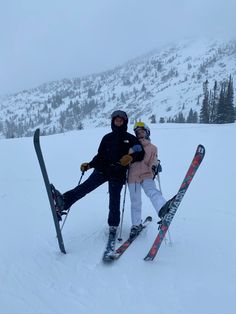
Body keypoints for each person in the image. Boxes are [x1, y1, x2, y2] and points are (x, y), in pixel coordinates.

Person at [52, 110, 144, 256]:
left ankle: (113, 226)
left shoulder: (130, 138)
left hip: (118, 173)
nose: (118, 123)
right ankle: (64, 201)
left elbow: (140, 152)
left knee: (114, 200)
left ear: (125, 122)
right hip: (102, 170)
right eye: (116, 120)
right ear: (113, 122)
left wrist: (130, 158)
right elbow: (100, 156)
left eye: (121, 120)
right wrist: (89, 165)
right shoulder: (106, 138)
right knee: (84, 188)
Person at [127, 121, 167, 238]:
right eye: (137, 133)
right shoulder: (131, 147)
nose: (140, 134)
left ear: (147, 132)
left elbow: (153, 160)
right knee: (135, 201)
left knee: (152, 191)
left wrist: (155, 165)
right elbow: (127, 160)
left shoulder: (153, 148)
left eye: (142, 132)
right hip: (133, 176)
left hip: (146, 174)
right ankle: (136, 225)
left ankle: (163, 208)